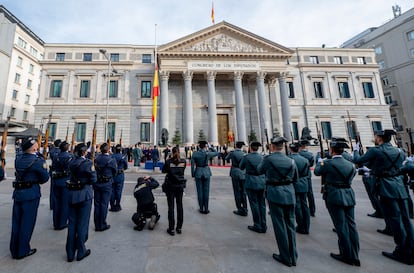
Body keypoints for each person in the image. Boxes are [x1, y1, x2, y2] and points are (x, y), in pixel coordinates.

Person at [353, 129, 414, 265]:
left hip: (386, 186)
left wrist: (356, 149)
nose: (374, 138)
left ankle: (402, 250)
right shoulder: (400, 151)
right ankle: (411, 247)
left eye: (375, 136)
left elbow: (357, 160)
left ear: (379, 138)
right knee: (405, 219)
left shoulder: (376, 150)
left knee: (395, 219)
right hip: (399, 186)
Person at [314, 138, 360, 266]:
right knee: (352, 225)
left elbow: (317, 172)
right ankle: (355, 254)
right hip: (349, 194)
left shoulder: (328, 163)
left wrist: (320, 162)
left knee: (341, 225)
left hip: (334, 195)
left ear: (332, 150)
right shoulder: (350, 164)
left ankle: (346, 254)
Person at [258, 137, 298, 267]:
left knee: (280, 225)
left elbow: (259, 170)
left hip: (275, 194)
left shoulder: (268, 160)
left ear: (272, 146)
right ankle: (293, 256)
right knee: (291, 225)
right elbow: (295, 178)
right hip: (290, 194)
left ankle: (285, 256)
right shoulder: (291, 160)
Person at [10, 137, 49, 259]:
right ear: (34, 148)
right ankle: (22, 250)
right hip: (31, 194)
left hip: (18, 193)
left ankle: (14, 249)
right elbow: (44, 178)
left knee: (16, 222)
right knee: (27, 223)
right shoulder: (37, 161)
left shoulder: (18, 159)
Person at [66, 143, 97, 262]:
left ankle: (69, 253)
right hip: (84, 194)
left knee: (72, 224)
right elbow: (93, 179)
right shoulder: (87, 163)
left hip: (72, 194)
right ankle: (81, 251)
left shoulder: (71, 162)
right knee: (82, 224)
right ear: (84, 152)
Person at [240, 141, 266, 233]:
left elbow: (241, 167)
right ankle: (264, 224)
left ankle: (257, 224)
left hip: (251, 182)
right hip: (262, 182)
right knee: (262, 204)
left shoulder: (247, 157)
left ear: (250, 148)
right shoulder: (263, 157)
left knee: (254, 204)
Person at [162, 146, 187, 236]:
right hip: (180, 186)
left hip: (171, 186)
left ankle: (171, 228)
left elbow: (163, 171)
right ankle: (179, 228)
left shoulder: (169, 162)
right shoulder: (183, 161)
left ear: (172, 152)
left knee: (171, 207)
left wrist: (169, 160)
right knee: (180, 207)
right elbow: (182, 171)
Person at [93, 143, 117, 231]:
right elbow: (115, 171)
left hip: (97, 183)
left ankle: (97, 224)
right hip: (106, 184)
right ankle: (102, 224)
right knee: (104, 204)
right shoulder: (111, 160)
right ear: (108, 150)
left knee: (97, 204)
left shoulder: (96, 158)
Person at [51, 141, 74, 230]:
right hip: (65, 181)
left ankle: (56, 222)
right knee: (64, 203)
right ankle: (62, 223)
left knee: (56, 203)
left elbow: (53, 167)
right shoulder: (70, 157)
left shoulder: (56, 156)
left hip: (57, 180)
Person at [289, 142, 310, 235]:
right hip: (304, 183)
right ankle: (307, 226)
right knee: (305, 205)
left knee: (297, 205)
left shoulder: (289, 159)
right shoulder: (305, 160)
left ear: (291, 149)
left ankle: (301, 225)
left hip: (295, 183)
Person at [191, 141, 218, 214]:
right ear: (205, 146)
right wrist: (210, 147)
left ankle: (201, 208)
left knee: (199, 191)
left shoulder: (195, 153)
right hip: (206, 172)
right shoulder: (207, 153)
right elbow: (217, 153)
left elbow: (192, 165)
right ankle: (206, 208)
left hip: (198, 172)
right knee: (206, 191)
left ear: (199, 146)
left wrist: (193, 174)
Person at [225, 141, 248, 216]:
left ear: (235, 146)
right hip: (243, 173)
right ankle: (245, 208)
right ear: (241, 147)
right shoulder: (245, 154)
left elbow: (226, 158)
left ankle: (239, 209)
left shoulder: (233, 153)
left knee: (237, 191)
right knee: (244, 192)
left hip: (235, 173)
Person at [298, 139, 316, 217]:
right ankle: (312, 211)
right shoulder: (310, 154)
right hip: (307, 175)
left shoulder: (297, 154)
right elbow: (311, 165)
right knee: (310, 194)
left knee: (301, 196)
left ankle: (302, 210)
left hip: (298, 175)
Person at [110, 144, 128, 212]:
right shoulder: (123, 157)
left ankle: (112, 205)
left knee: (112, 191)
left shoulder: (112, 156)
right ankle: (117, 205)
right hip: (120, 175)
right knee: (119, 191)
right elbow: (126, 167)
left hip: (113, 175)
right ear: (120, 149)